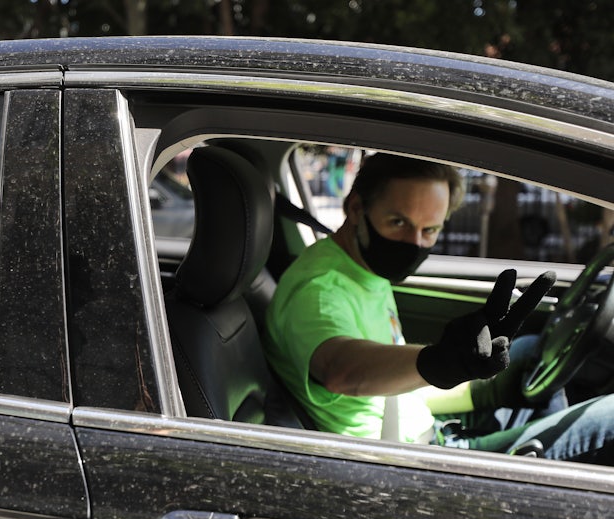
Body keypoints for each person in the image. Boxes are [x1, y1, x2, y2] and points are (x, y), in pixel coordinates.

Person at [262, 153, 614, 464]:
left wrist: (479, 386)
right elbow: (340, 369)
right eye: (398, 222)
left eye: (429, 230)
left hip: (425, 431)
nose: (414, 243)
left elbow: (396, 390)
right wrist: (435, 361)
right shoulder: (320, 289)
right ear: (356, 209)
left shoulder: (363, 269)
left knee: (528, 354)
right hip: (402, 464)